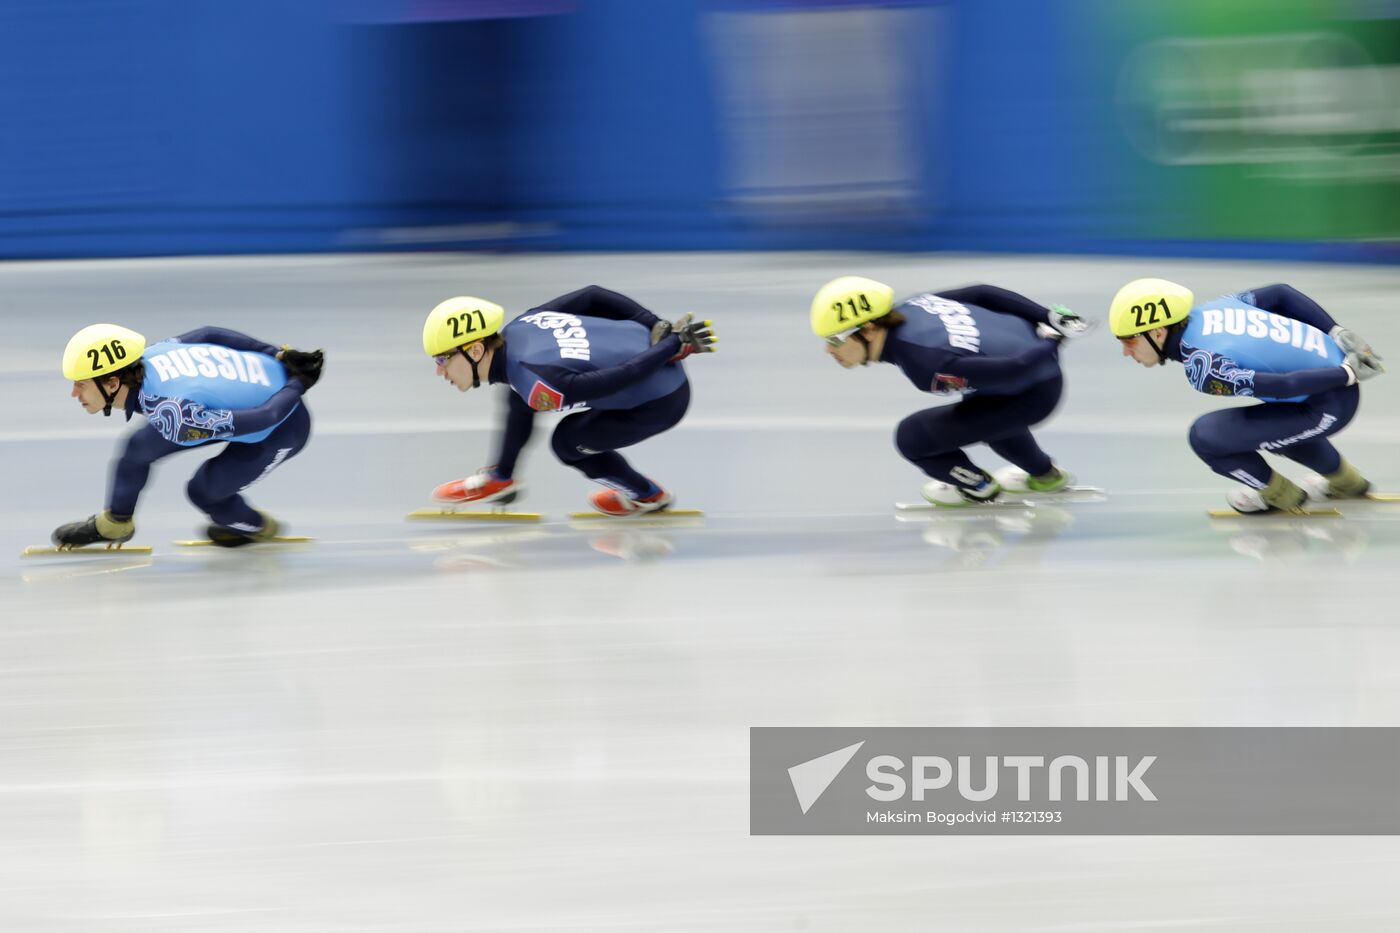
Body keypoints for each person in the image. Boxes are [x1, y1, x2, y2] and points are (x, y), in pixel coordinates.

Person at [424, 286, 715, 516]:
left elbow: (623, 376)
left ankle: (647, 496)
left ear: (475, 351)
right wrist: (658, 327)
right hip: (651, 356)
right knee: (518, 395)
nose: (439, 371)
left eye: (442, 359)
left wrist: (670, 345)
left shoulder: (540, 383)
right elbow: (592, 295)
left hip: (662, 399)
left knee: (567, 443)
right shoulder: (522, 325)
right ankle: (502, 478)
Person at [811, 275, 1092, 506]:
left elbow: (1015, 368)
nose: (828, 350)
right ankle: (1046, 476)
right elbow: (982, 293)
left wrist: (1052, 340)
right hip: (1027, 372)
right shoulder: (915, 305)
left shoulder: (923, 364)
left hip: (1030, 387)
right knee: (985, 414)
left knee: (912, 438)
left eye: (835, 339)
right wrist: (1049, 318)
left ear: (869, 329)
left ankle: (978, 487)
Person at [1108, 278, 1384, 513]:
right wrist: (1337, 331)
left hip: (1328, 399)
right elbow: (1280, 293)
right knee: (1271, 429)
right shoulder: (1218, 307)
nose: (1126, 352)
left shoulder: (1201, 365)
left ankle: (1280, 495)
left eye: (1129, 340)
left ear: (1157, 332)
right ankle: (1348, 483)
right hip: (1328, 384)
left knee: (1206, 437)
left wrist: (1347, 373)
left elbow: (1284, 386)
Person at [52, 323, 323, 548]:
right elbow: (209, 333)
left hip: (283, 427)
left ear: (112, 383)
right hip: (223, 403)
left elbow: (268, 417)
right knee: (138, 448)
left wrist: (299, 382)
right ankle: (115, 524)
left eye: (81, 385)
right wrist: (276, 354)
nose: (74, 394)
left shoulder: (175, 415)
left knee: (204, 492)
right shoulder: (152, 355)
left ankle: (257, 526)